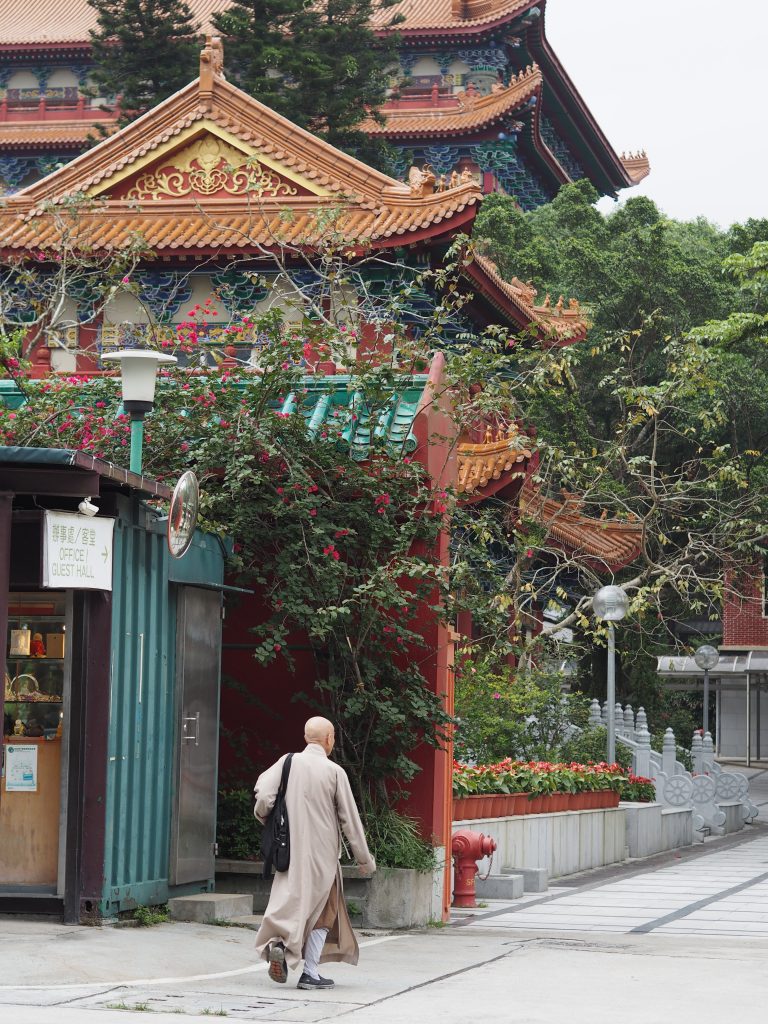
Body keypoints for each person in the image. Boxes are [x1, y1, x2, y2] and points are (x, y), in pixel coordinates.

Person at [253, 716, 376, 991]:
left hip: (290, 851)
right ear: (329, 739)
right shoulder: (334, 772)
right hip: (322, 855)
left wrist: (266, 819)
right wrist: (364, 859)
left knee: (291, 901)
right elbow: (350, 821)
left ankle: (280, 947)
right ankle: (309, 972)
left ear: (307, 737)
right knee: (325, 910)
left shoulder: (287, 761)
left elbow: (263, 797)